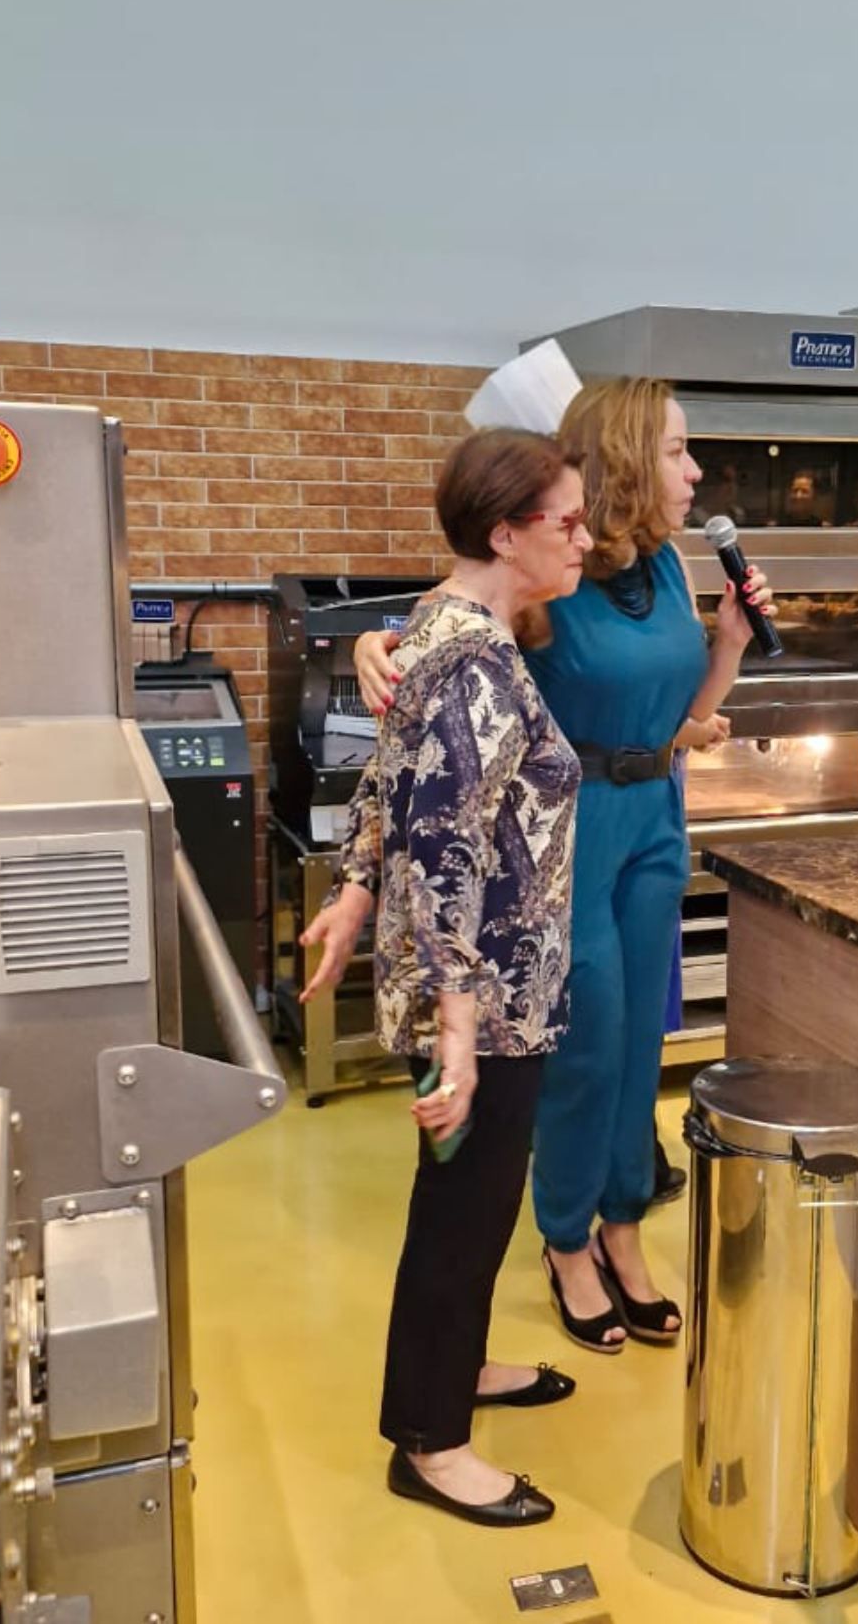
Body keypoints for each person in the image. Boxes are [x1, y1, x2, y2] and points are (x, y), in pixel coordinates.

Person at [356, 379, 771, 1356]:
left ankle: (622, 1230)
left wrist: (733, 644)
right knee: (586, 1041)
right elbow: (453, 617)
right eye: (676, 450)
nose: (695, 470)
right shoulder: (551, 572)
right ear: (628, 456)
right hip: (564, 828)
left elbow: (679, 710)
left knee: (641, 1044)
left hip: (654, 811)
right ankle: (564, 1240)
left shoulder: (667, 568)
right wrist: (381, 645)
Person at [300, 427, 592, 1527]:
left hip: (487, 984)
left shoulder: (446, 626)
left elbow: (393, 786)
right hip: (483, 997)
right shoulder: (467, 652)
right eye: (564, 522)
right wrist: (463, 1039)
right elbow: (448, 843)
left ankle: (454, 1369)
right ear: (504, 531)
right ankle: (427, 1440)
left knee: (477, 1198)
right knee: (463, 1206)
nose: (584, 537)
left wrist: (350, 893)